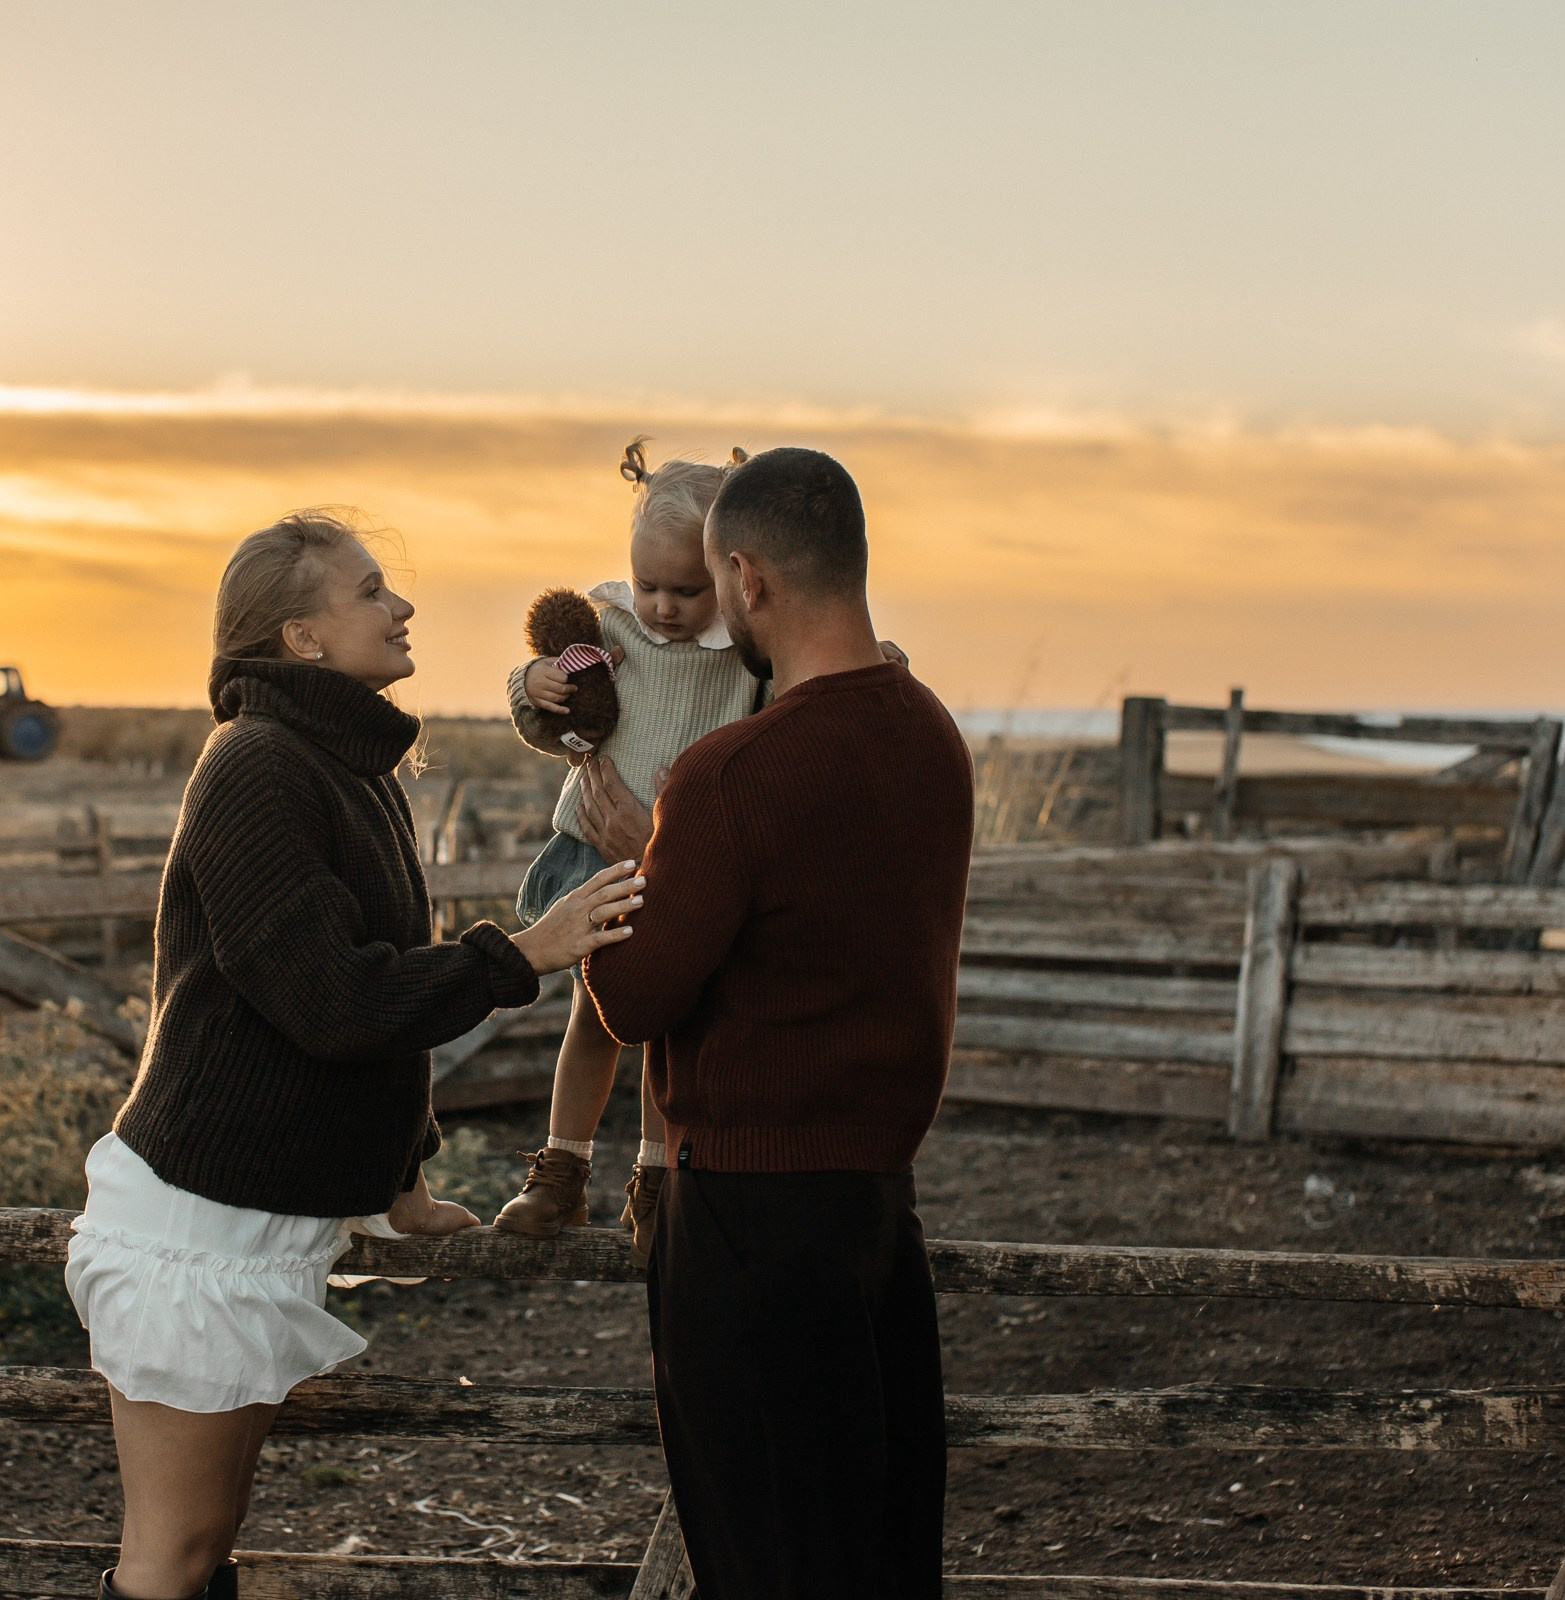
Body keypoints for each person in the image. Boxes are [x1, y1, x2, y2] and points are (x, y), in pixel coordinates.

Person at [66, 510, 646, 1600]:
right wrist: (519, 953)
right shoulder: (255, 768)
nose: (403, 605)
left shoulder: (348, 766)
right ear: (301, 638)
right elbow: (332, 999)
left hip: (258, 1215)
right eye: (373, 589)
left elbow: (375, 1004)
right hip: (197, 1222)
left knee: (205, 1548)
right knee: (171, 1559)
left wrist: (403, 1188)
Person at [581, 447, 974, 1599]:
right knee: (881, 1565)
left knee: (763, 1567)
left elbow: (636, 997)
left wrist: (635, 864)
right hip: (878, 1220)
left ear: (746, 579)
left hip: (748, 1228)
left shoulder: (728, 777)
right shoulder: (933, 739)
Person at [492, 438, 760, 1252]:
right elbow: (554, 706)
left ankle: (657, 1180)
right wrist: (532, 686)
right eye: (649, 584)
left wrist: (879, 656)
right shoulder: (610, 629)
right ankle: (561, 1172)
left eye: (688, 588)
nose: (665, 607)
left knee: (669, 1025)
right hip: (597, 855)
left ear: (730, 572)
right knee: (596, 1017)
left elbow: (811, 695)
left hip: (685, 863)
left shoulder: (746, 653)